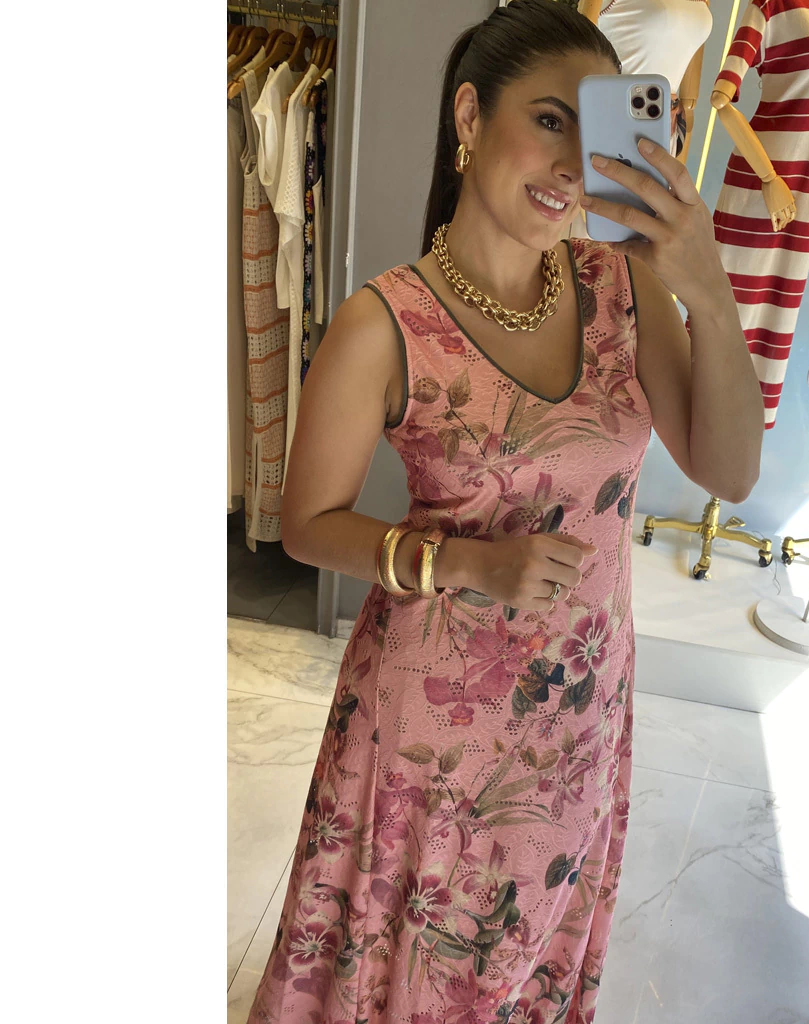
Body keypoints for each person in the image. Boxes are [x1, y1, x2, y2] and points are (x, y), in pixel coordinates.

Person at [245, 2, 762, 1022]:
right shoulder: (384, 323)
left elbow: (730, 472)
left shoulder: (622, 289)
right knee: (408, 959)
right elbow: (308, 523)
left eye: (595, 125)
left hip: (579, 710)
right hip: (430, 734)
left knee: (527, 956)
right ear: (470, 116)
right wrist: (465, 564)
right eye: (549, 119)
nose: (571, 164)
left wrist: (707, 295)